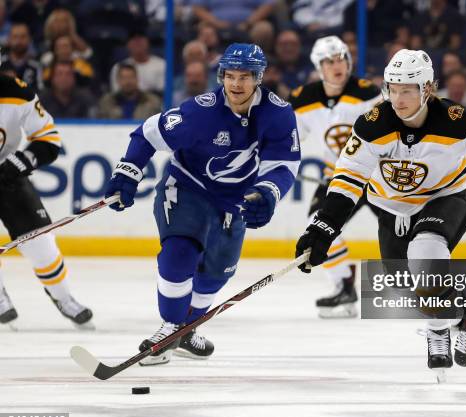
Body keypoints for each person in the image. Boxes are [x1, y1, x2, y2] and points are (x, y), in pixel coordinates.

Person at [295, 49, 466, 373]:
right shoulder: (372, 125)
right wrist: (323, 226)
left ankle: (437, 331)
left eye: (407, 89)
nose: (398, 99)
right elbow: (348, 178)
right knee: (403, 283)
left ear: (427, 89)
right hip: (392, 208)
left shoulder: (457, 120)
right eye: (393, 89)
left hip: (447, 198)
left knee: (425, 252)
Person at [104, 43, 300, 365]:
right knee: (179, 253)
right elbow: (148, 134)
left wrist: (268, 193)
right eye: (230, 76)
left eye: (245, 77)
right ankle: (170, 327)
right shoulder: (200, 111)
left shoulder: (278, 114)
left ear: (259, 78)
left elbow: (283, 165)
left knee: (216, 274)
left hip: (235, 201)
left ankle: (186, 329)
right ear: (221, 75)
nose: (236, 84)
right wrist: (128, 171)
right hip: (187, 187)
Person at [288, 35, 382, 318]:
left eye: (341, 57)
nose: (337, 64)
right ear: (319, 66)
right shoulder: (302, 98)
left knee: (405, 231)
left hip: (378, 177)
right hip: (339, 179)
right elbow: (289, 138)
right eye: (329, 61)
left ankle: (435, 288)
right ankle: (344, 286)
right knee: (315, 226)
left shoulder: (368, 93)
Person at [0, 73, 93, 328]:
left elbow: (48, 140)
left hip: (6, 176)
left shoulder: (17, 92)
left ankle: (63, 298)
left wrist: (23, 160)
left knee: (41, 242)